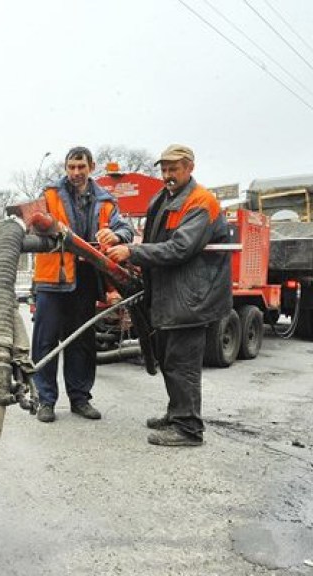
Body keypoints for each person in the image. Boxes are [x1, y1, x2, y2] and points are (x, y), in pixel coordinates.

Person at [106, 144, 231, 446]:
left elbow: (181, 248)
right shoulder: (164, 198)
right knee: (169, 358)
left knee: (182, 363)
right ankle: (177, 413)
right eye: (163, 169)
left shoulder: (201, 202)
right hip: (169, 295)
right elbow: (154, 241)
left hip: (192, 297)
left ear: (189, 167)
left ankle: (189, 428)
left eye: (173, 169)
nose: (167, 175)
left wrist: (132, 252)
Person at [31, 146, 134, 423]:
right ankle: (45, 401)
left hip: (86, 281)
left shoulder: (105, 200)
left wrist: (114, 234)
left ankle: (80, 399)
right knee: (45, 343)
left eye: (81, 167)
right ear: (65, 168)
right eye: (71, 167)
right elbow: (32, 223)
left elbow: (127, 230)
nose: (76, 173)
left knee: (82, 343)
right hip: (52, 281)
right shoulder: (50, 194)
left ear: (92, 167)